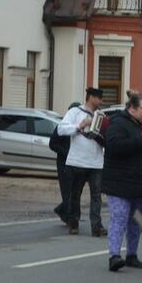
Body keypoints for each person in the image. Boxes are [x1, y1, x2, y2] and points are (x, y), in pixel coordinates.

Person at [101, 94, 142, 271]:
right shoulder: (117, 123)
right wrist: (140, 140)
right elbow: (114, 146)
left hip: (140, 183)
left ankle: (132, 254)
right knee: (119, 217)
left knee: (136, 220)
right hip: (119, 183)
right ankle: (114, 256)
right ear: (132, 108)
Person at [57, 88, 106, 236]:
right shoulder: (75, 112)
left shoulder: (101, 116)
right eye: (99, 98)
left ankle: (96, 226)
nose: (101, 102)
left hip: (96, 162)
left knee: (96, 196)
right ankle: (73, 223)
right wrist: (79, 125)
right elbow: (61, 129)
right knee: (75, 194)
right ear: (91, 97)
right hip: (77, 161)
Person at [51, 101, 80, 224]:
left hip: (77, 164)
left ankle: (64, 211)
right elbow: (52, 144)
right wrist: (67, 153)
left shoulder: (80, 128)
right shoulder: (61, 128)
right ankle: (70, 218)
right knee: (67, 191)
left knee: (75, 192)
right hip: (64, 165)